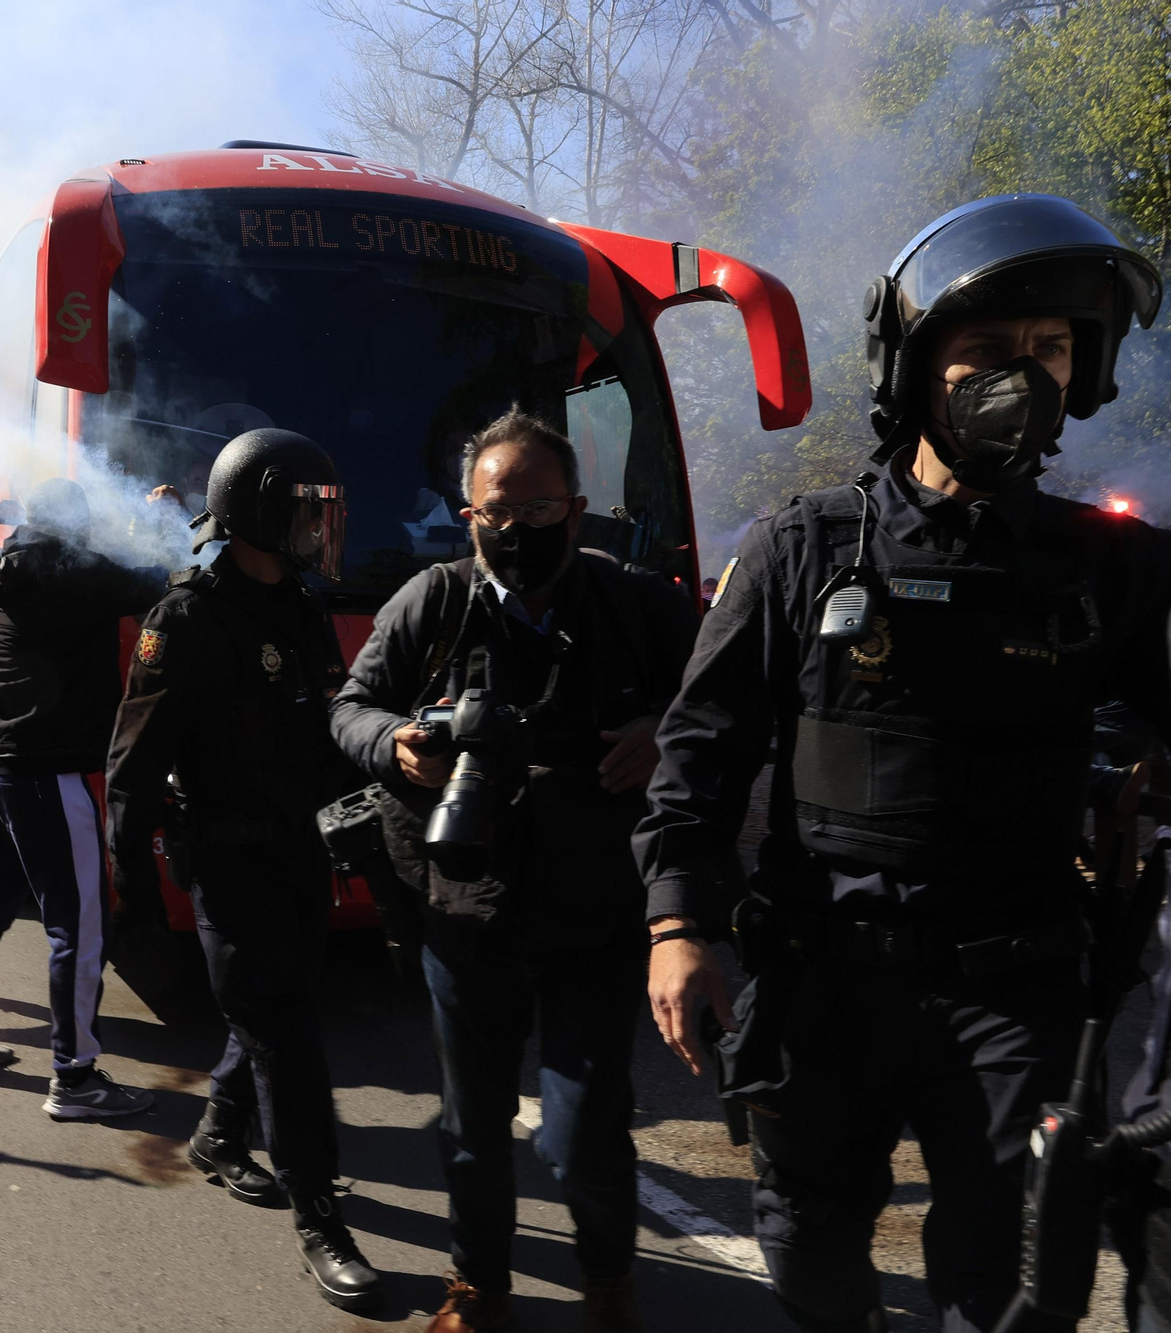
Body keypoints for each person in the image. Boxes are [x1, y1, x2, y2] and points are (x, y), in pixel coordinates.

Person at [637, 195, 1171, 1333]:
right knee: (809, 1259)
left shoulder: (1112, 569)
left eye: (1048, 350)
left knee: (1007, 1284)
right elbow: (701, 745)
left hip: (1012, 987)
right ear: (915, 361)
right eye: (987, 350)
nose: (1019, 377)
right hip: (822, 974)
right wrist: (676, 922)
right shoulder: (803, 544)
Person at [329, 411, 697, 1332]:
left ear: (577, 510)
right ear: (469, 514)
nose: (523, 528)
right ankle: (476, 1285)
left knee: (584, 1132)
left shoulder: (637, 604)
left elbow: (724, 701)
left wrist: (664, 731)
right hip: (465, 909)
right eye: (504, 509)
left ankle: (608, 1284)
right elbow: (350, 706)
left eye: (543, 507)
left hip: (597, 912)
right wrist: (394, 745)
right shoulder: (432, 601)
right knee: (473, 1123)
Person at [107, 429, 380, 1311]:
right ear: (259, 509)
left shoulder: (300, 607)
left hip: (302, 855)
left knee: (278, 1008)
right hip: (227, 861)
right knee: (286, 1033)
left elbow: (322, 725)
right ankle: (319, 1211)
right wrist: (137, 901)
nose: (319, 530)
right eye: (307, 512)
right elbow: (133, 767)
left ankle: (220, 1137)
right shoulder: (184, 618)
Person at [0, 478, 167, 1120]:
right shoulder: (69, 571)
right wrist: (152, 519)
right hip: (50, 767)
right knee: (80, 925)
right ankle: (76, 1078)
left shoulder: (9, 564)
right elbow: (155, 583)